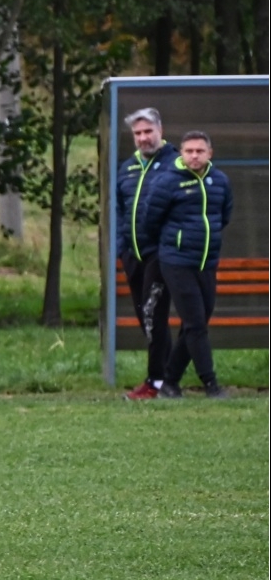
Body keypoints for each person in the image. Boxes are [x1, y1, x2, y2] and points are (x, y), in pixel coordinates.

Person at [138, 131, 234, 399]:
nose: (194, 156)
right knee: (195, 324)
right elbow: (149, 220)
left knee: (197, 323)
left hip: (206, 262)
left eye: (199, 151)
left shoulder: (220, 181)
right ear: (181, 153)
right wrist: (174, 243)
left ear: (209, 154)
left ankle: (170, 381)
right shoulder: (167, 182)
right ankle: (211, 384)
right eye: (189, 151)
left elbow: (224, 216)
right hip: (176, 262)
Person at [113, 108, 178, 400]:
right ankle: (169, 378)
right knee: (146, 316)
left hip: (160, 254)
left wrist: (169, 245)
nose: (143, 138)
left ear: (160, 131)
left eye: (148, 131)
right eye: (137, 133)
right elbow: (119, 210)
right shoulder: (128, 167)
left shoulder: (175, 164)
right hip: (133, 254)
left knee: (153, 315)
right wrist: (121, 247)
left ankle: (156, 382)